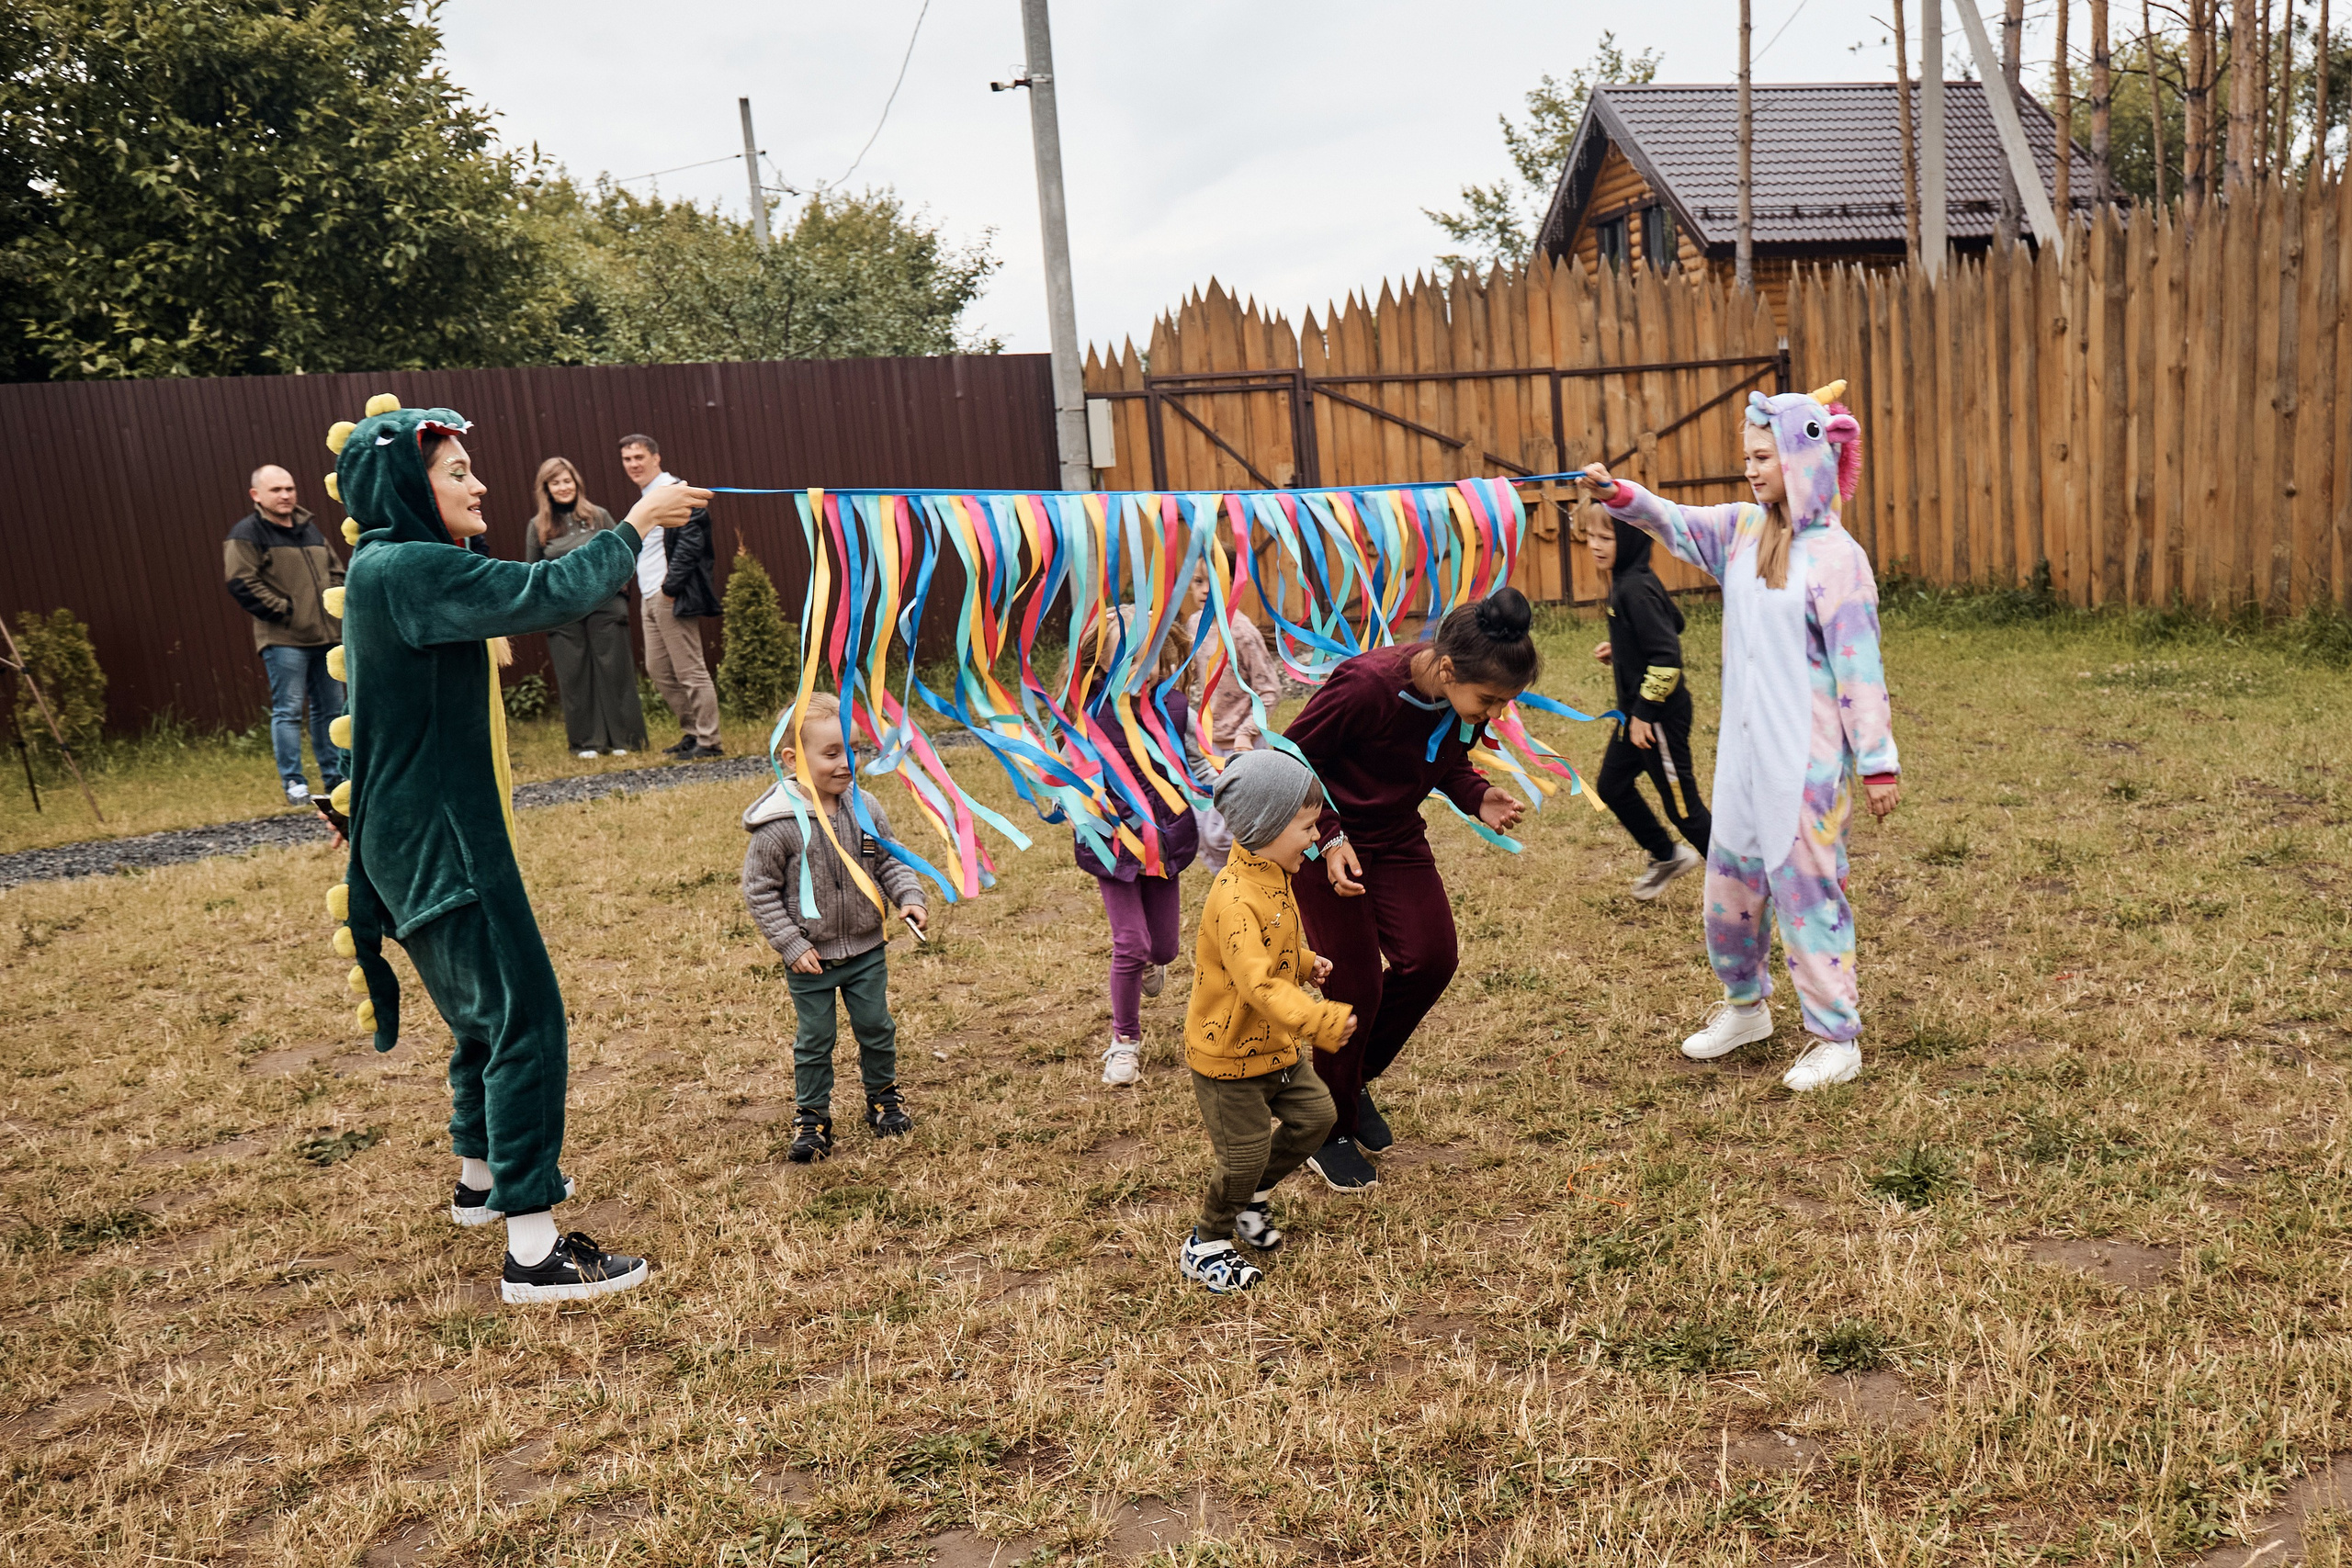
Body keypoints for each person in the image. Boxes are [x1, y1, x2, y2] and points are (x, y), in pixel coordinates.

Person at [326, 394, 709, 1303]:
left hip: (412, 837)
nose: (480, 481)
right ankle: (534, 1254)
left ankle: (481, 1183)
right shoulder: (409, 567)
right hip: (442, 843)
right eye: (456, 471)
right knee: (525, 1018)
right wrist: (636, 525)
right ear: (404, 488)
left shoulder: (393, 569)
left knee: (481, 1018)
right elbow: (547, 593)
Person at [1577, 379, 1901, 1093]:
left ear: (1801, 457)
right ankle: (1746, 1007)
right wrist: (1616, 494)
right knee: (1729, 895)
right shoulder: (1742, 531)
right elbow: (1671, 520)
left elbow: (1860, 668)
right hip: (1745, 761)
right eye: (1747, 456)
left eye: (1763, 455)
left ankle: (1835, 1037)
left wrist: (1876, 763)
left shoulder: (1839, 560)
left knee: (1809, 897)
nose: (1750, 469)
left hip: (1807, 768)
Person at [1283, 588, 1538, 1192]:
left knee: (1431, 958)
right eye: (1490, 700)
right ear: (1448, 669)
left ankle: (1339, 1081)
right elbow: (1290, 755)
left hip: (1396, 838)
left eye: (1505, 702)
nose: (1496, 712)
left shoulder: (1459, 701)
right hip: (1328, 840)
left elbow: (1445, 759)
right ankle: (1326, 1128)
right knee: (1355, 985)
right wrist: (1328, 835)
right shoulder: (1365, 684)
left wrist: (1477, 793)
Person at [1177, 749, 1354, 1293]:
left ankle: (1251, 1197)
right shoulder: (1234, 899)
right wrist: (1317, 1019)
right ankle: (1206, 1242)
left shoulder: (1273, 875)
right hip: (1229, 1055)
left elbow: (1275, 947)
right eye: (1306, 827)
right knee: (1243, 1154)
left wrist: (1304, 962)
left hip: (1274, 1045)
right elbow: (1255, 982)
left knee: (1317, 1118)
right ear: (1267, 826)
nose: (1313, 838)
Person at [740, 693, 928, 1164]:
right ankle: (813, 1118)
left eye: (855, 749)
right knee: (815, 1039)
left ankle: (883, 1099)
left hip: (866, 949)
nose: (847, 763)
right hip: (811, 959)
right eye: (832, 753)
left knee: (876, 1026)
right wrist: (789, 943)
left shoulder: (863, 809)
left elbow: (886, 860)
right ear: (792, 759)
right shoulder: (778, 826)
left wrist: (908, 896)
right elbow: (759, 891)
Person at [1069, 609, 1200, 1089]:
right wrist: (1074, 801)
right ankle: (1124, 1041)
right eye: (1125, 656)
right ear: (1100, 664)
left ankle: (1150, 964)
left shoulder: (1177, 707)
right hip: (1112, 845)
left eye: (1145, 654)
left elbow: (1195, 767)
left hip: (1165, 840)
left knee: (1163, 948)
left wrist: (1227, 783)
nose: (1137, 666)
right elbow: (1068, 772)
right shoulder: (1084, 712)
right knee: (1132, 944)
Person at [1588, 514, 1712, 897]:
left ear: (1627, 538)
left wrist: (1644, 714)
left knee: (1683, 808)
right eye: (1590, 535)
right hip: (1636, 716)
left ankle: (1743, 880)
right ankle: (1666, 854)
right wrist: (1625, 649)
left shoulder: (1635, 588)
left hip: (1655, 719)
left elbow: (1668, 658)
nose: (1595, 544)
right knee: (1612, 785)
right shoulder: (1629, 578)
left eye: (1605, 536)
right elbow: (1674, 621)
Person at [224, 464, 347, 805]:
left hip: (327, 637)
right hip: (284, 641)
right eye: (276, 490)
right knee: (289, 710)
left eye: (289, 488)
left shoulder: (310, 529)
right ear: (256, 496)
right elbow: (241, 582)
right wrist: (287, 611)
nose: (285, 495)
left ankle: (335, 777)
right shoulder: (246, 534)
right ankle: (294, 782)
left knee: (332, 711)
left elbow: (337, 570)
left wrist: (331, 605)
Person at [526, 458, 649, 760]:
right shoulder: (537, 526)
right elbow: (531, 571)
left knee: (616, 672)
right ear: (547, 489)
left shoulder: (599, 516)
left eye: (567, 481)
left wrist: (620, 592)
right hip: (563, 612)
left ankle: (627, 740)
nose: (563, 487)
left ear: (576, 483)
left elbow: (623, 553)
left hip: (606, 607)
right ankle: (587, 743)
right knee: (574, 677)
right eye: (555, 483)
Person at [616, 434, 720, 759]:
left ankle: (709, 741)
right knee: (659, 671)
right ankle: (691, 732)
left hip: (669, 593)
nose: (633, 464)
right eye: (627, 459)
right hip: (649, 595)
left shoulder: (674, 490)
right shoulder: (646, 497)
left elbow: (692, 541)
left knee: (690, 670)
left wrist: (670, 588)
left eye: (639, 457)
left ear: (656, 458)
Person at [1185, 561, 1284, 866]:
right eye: (1197, 581)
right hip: (1205, 745)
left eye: (1213, 583)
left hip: (1240, 749)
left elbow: (1270, 690)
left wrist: (1246, 733)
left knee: (1234, 832)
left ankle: (1251, 883)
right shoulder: (1193, 624)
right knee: (1204, 830)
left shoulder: (1242, 633)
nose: (1204, 590)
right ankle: (1227, 887)